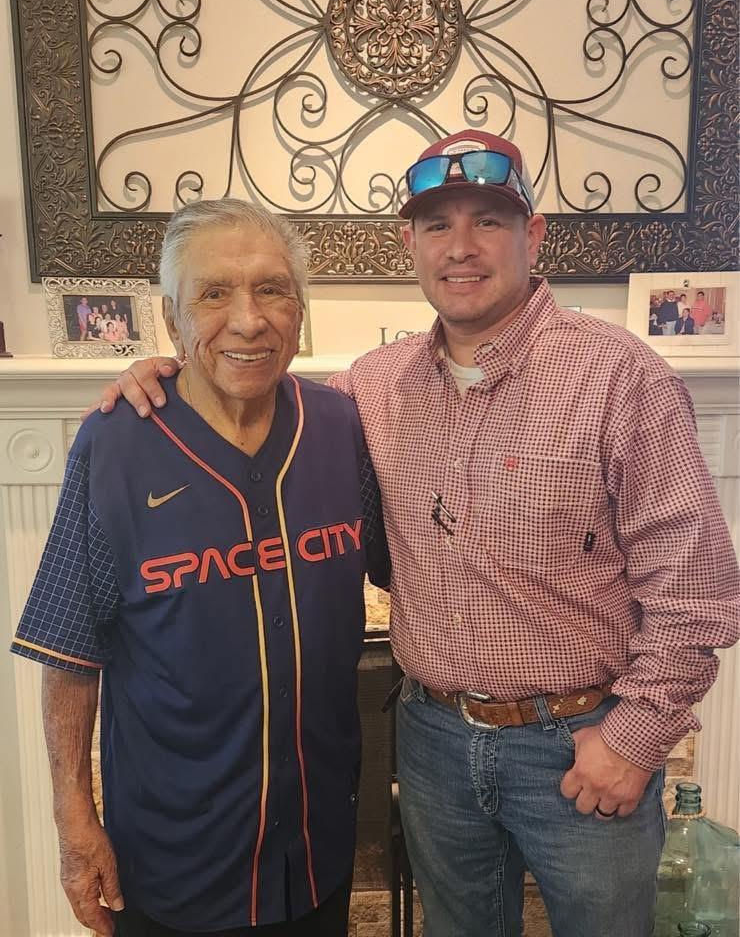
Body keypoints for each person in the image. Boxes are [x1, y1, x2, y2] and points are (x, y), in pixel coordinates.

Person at [92, 130, 740, 937]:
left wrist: (635, 738)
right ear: (411, 242)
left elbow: (696, 593)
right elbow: (255, 384)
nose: (460, 247)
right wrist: (166, 375)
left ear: (534, 236)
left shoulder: (622, 378)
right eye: (437, 224)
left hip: (580, 743)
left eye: (488, 221)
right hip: (432, 744)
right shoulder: (370, 388)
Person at [11, 200, 389, 937]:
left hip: (316, 847)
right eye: (213, 294)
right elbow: (68, 651)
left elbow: (410, 567)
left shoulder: (339, 426)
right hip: (174, 859)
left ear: (300, 310)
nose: (249, 320)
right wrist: (74, 821)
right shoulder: (116, 445)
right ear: (170, 318)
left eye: (273, 289)